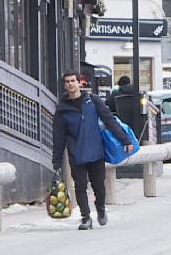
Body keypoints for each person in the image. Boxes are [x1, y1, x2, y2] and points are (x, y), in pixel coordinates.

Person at [52, 71, 132, 230]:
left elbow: (109, 120)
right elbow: (58, 136)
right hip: (76, 153)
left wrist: (125, 139)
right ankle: (85, 217)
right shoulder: (62, 109)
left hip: (96, 151)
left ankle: (100, 209)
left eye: (73, 81)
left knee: (98, 186)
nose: (70, 84)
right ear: (64, 85)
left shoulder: (93, 100)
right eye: (67, 82)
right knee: (80, 186)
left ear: (79, 83)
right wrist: (57, 159)